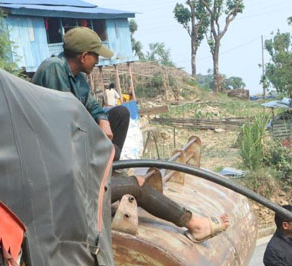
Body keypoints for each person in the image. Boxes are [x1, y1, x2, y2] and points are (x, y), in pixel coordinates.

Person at [32, 27, 229, 243]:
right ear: (84, 56)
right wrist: (98, 146)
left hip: (75, 157)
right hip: (62, 176)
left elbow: (92, 106)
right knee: (137, 186)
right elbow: (64, 126)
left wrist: (103, 120)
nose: (98, 61)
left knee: (120, 113)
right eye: (96, 56)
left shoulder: (77, 77)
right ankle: (195, 224)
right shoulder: (54, 70)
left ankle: (109, 169)